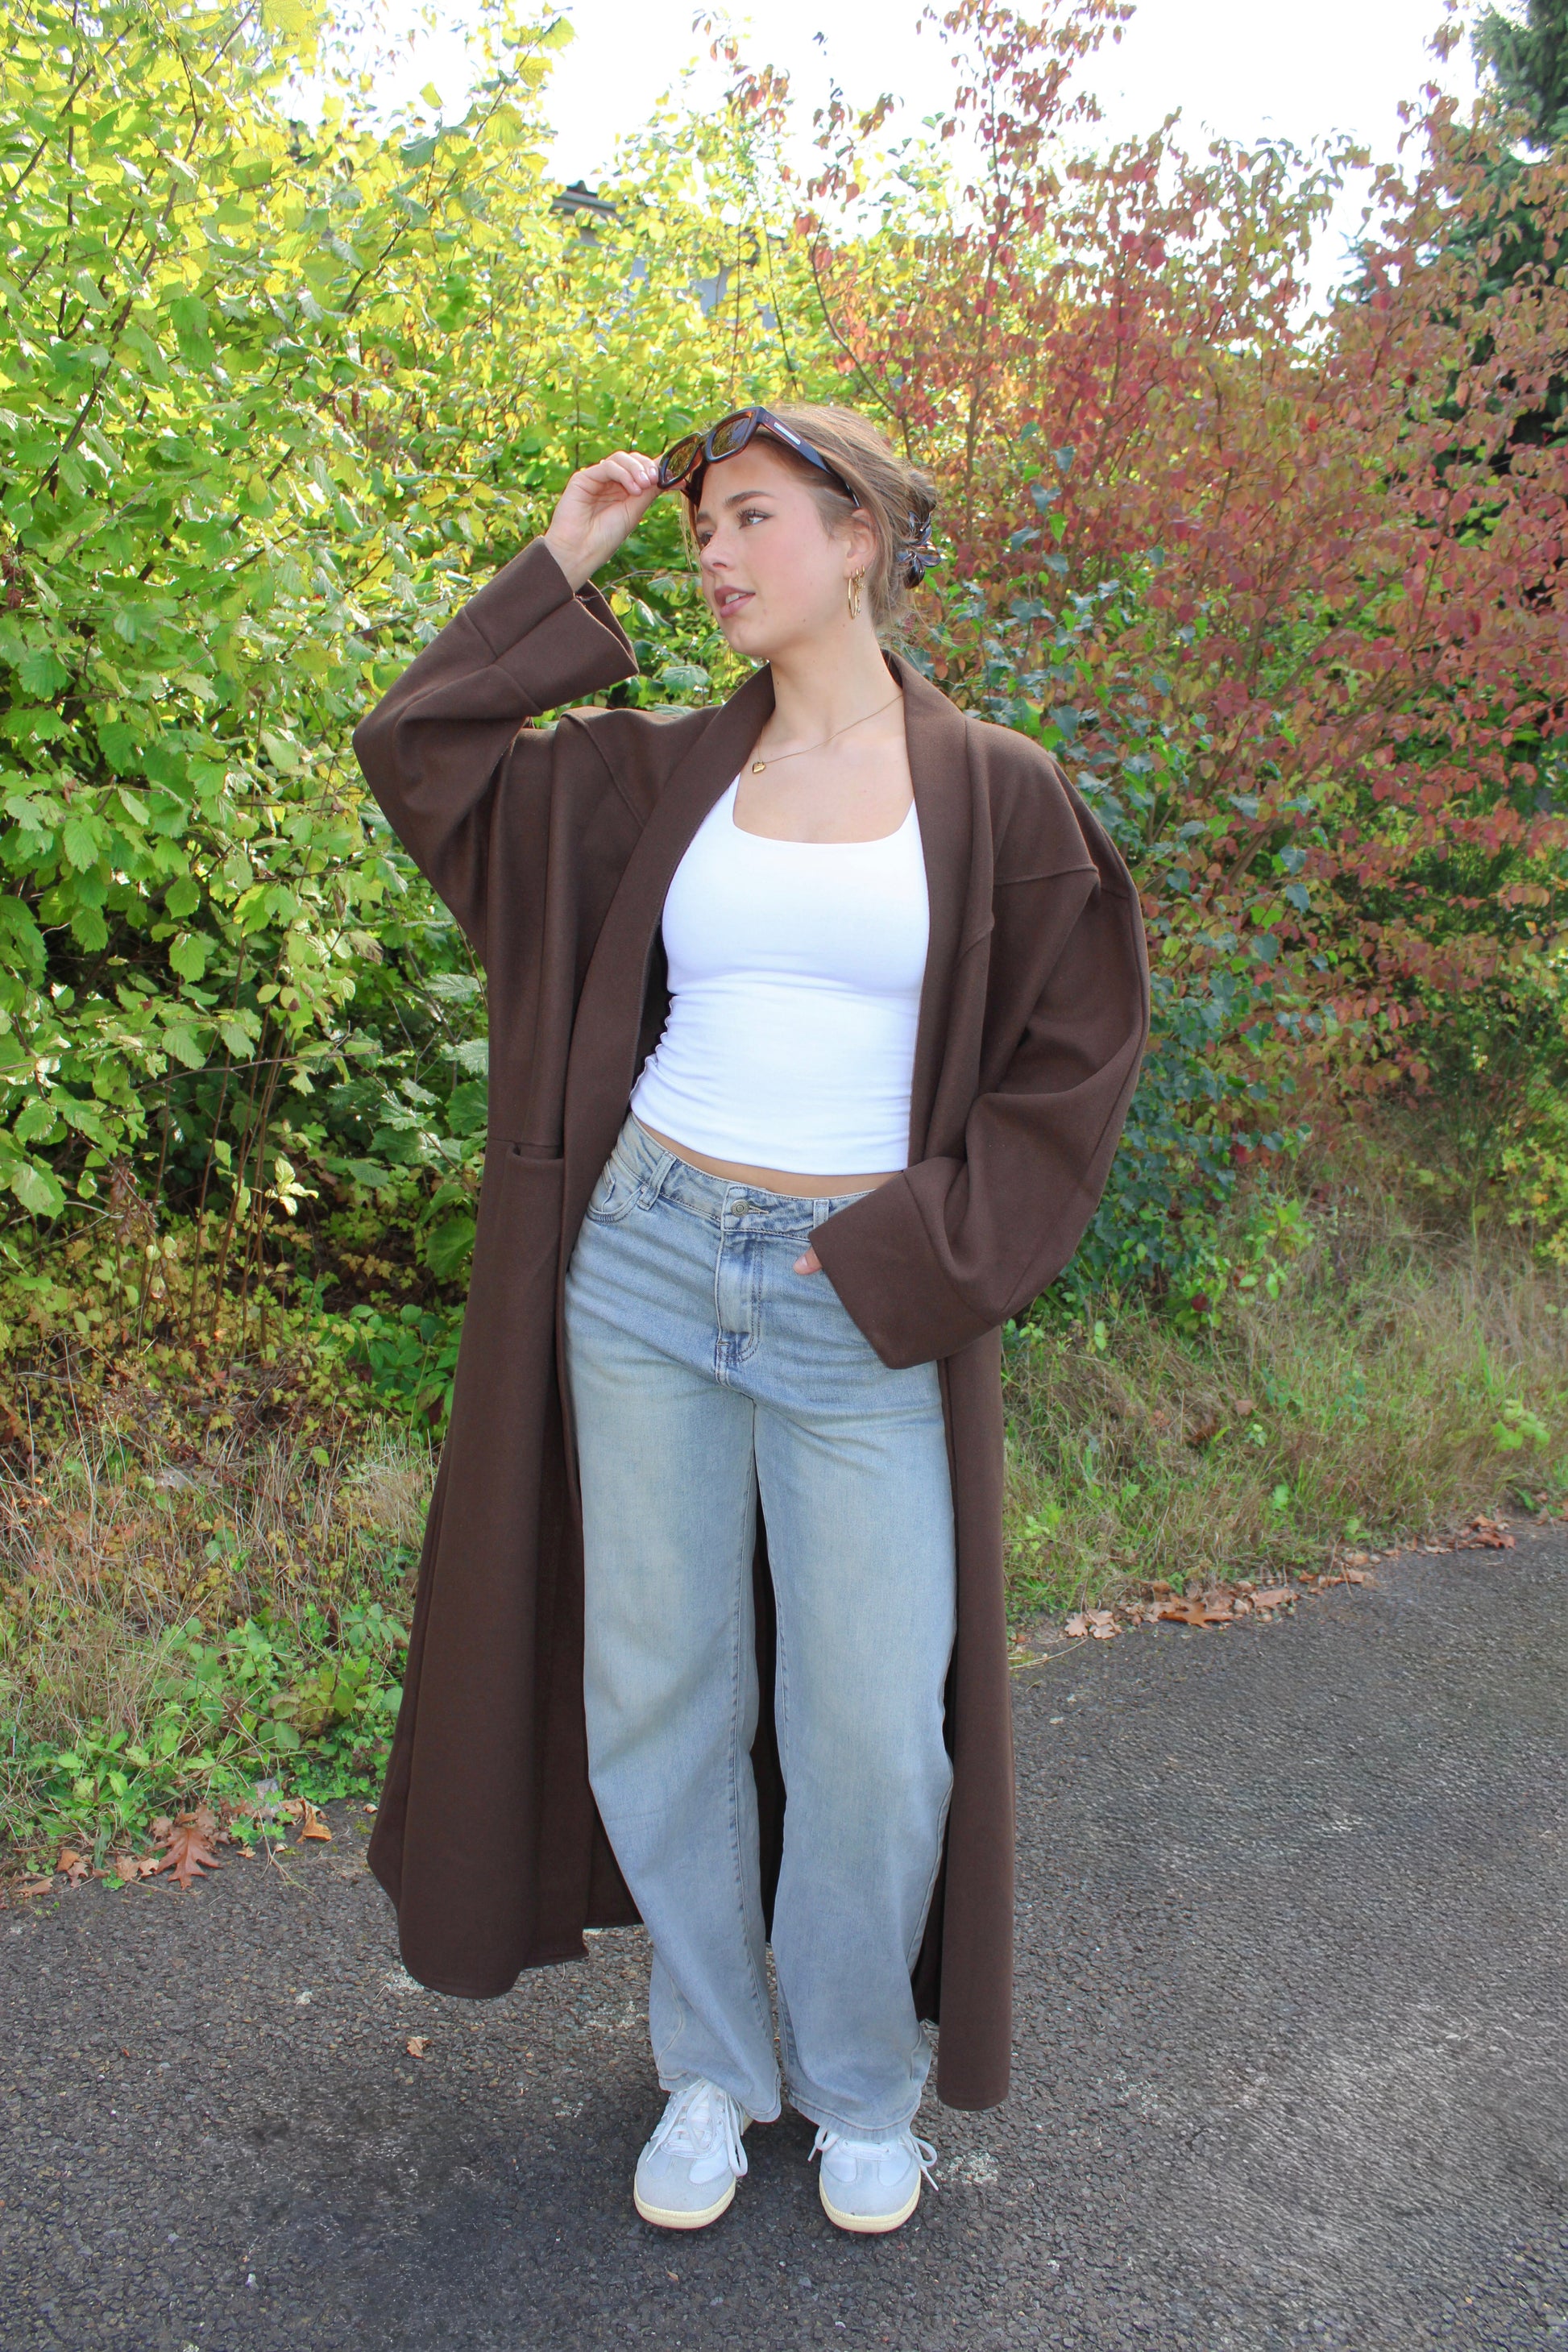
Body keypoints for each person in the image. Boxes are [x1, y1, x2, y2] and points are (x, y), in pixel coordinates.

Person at [351, 401, 1151, 2242]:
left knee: (874, 1728)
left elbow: (1074, 1055)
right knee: (659, 1691)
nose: (713, 554)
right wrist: (564, 556)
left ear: (859, 535)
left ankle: (860, 2081)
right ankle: (713, 2061)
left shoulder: (995, 790)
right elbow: (421, 750)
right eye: (702, 525)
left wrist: (910, 1256)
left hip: (852, 1305)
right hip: (643, 1265)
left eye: (752, 519)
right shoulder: (654, 774)